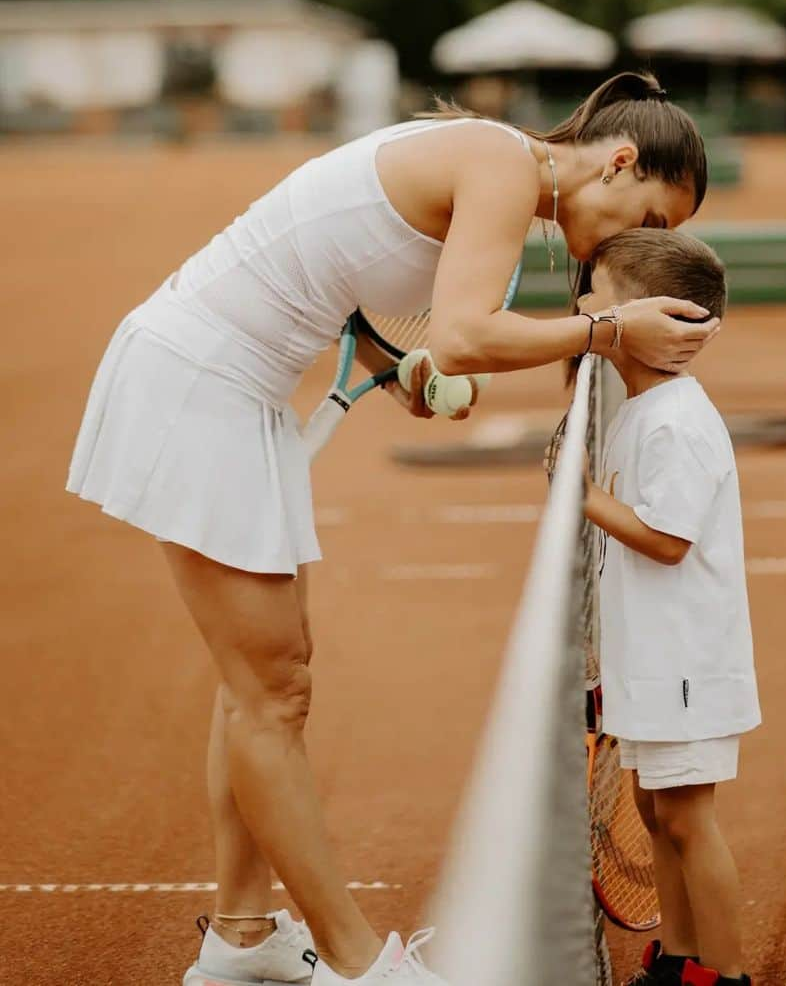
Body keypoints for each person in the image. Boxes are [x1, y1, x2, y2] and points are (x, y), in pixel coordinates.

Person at [66, 72, 719, 986]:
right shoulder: (497, 163)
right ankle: (360, 965)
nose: (639, 246)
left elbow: (337, 280)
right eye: (646, 218)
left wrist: (393, 363)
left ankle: (243, 942)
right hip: (198, 380)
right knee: (272, 692)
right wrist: (610, 329)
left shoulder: (498, 164)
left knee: (262, 684)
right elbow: (464, 335)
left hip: (227, 388)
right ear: (616, 162)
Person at [579, 228, 760, 986]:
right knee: (658, 814)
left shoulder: (676, 421)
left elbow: (666, 538)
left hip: (686, 660)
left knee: (687, 818)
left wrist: (576, 496)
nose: (583, 305)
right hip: (653, 658)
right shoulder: (642, 408)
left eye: (599, 292)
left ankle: (725, 972)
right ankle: (680, 958)